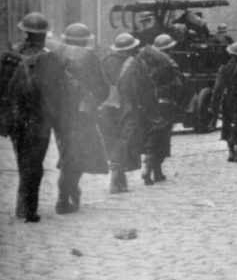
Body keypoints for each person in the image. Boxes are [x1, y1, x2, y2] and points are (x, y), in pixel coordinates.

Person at [1, 12, 64, 222]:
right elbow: (58, 92)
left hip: (17, 118)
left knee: (22, 161)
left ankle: (23, 203)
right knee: (34, 163)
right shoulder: (49, 58)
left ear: (25, 32)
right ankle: (27, 208)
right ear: (43, 35)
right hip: (39, 119)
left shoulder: (10, 56)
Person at [54, 22, 109, 213]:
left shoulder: (56, 56)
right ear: (85, 40)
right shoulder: (90, 58)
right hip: (83, 114)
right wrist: (93, 100)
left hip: (61, 115)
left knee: (67, 151)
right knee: (79, 154)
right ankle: (66, 193)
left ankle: (66, 193)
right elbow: (103, 88)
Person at [136, 33, 183, 185]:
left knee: (153, 136)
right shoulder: (168, 65)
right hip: (167, 105)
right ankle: (151, 170)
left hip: (151, 105)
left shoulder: (146, 65)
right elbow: (178, 85)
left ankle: (155, 171)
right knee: (162, 138)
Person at [99, 33, 140, 193]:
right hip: (127, 107)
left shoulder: (105, 61)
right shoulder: (135, 64)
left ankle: (119, 179)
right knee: (124, 141)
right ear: (131, 48)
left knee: (112, 141)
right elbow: (139, 87)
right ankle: (116, 180)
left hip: (107, 106)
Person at [211, 41, 237, 161]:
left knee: (227, 123)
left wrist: (214, 105)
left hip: (228, 99)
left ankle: (231, 151)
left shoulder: (224, 69)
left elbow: (218, 88)